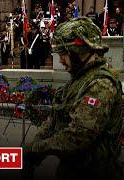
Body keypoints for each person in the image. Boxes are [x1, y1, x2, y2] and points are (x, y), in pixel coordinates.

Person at [22, 17, 123, 180]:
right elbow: (54, 120)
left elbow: (79, 135)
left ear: (80, 51)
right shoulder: (77, 81)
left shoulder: (101, 84)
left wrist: (39, 148)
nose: (61, 60)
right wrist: (34, 147)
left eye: (64, 54)